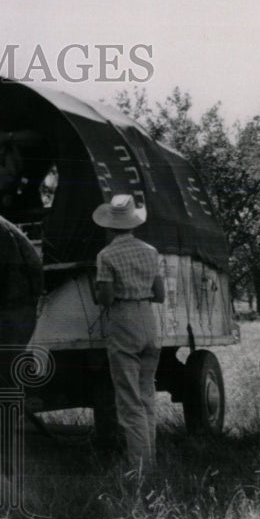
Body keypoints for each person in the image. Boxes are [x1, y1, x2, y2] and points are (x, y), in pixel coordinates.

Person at [93, 194, 166, 477]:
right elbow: (159, 294)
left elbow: (107, 298)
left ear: (110, 226)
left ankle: (139, 469)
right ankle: (152, 461)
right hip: (149, 318)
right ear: (134, 222)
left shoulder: (107, 255)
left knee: (128, 399)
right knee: (147, 394)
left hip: (124, 320)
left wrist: (96, 290)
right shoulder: (150, 251)